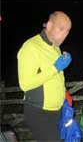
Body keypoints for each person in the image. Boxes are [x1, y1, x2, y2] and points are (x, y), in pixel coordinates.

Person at [17, 11, 72, 141]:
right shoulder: (30, 47)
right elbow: (25, 84)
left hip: (57, 110)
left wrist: (64, 94)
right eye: (61, 29)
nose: (65, 34)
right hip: (39, 112)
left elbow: (57, 77)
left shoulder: (56, 47)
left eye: (68, 31)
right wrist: (55, 68)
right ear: (49, 26)